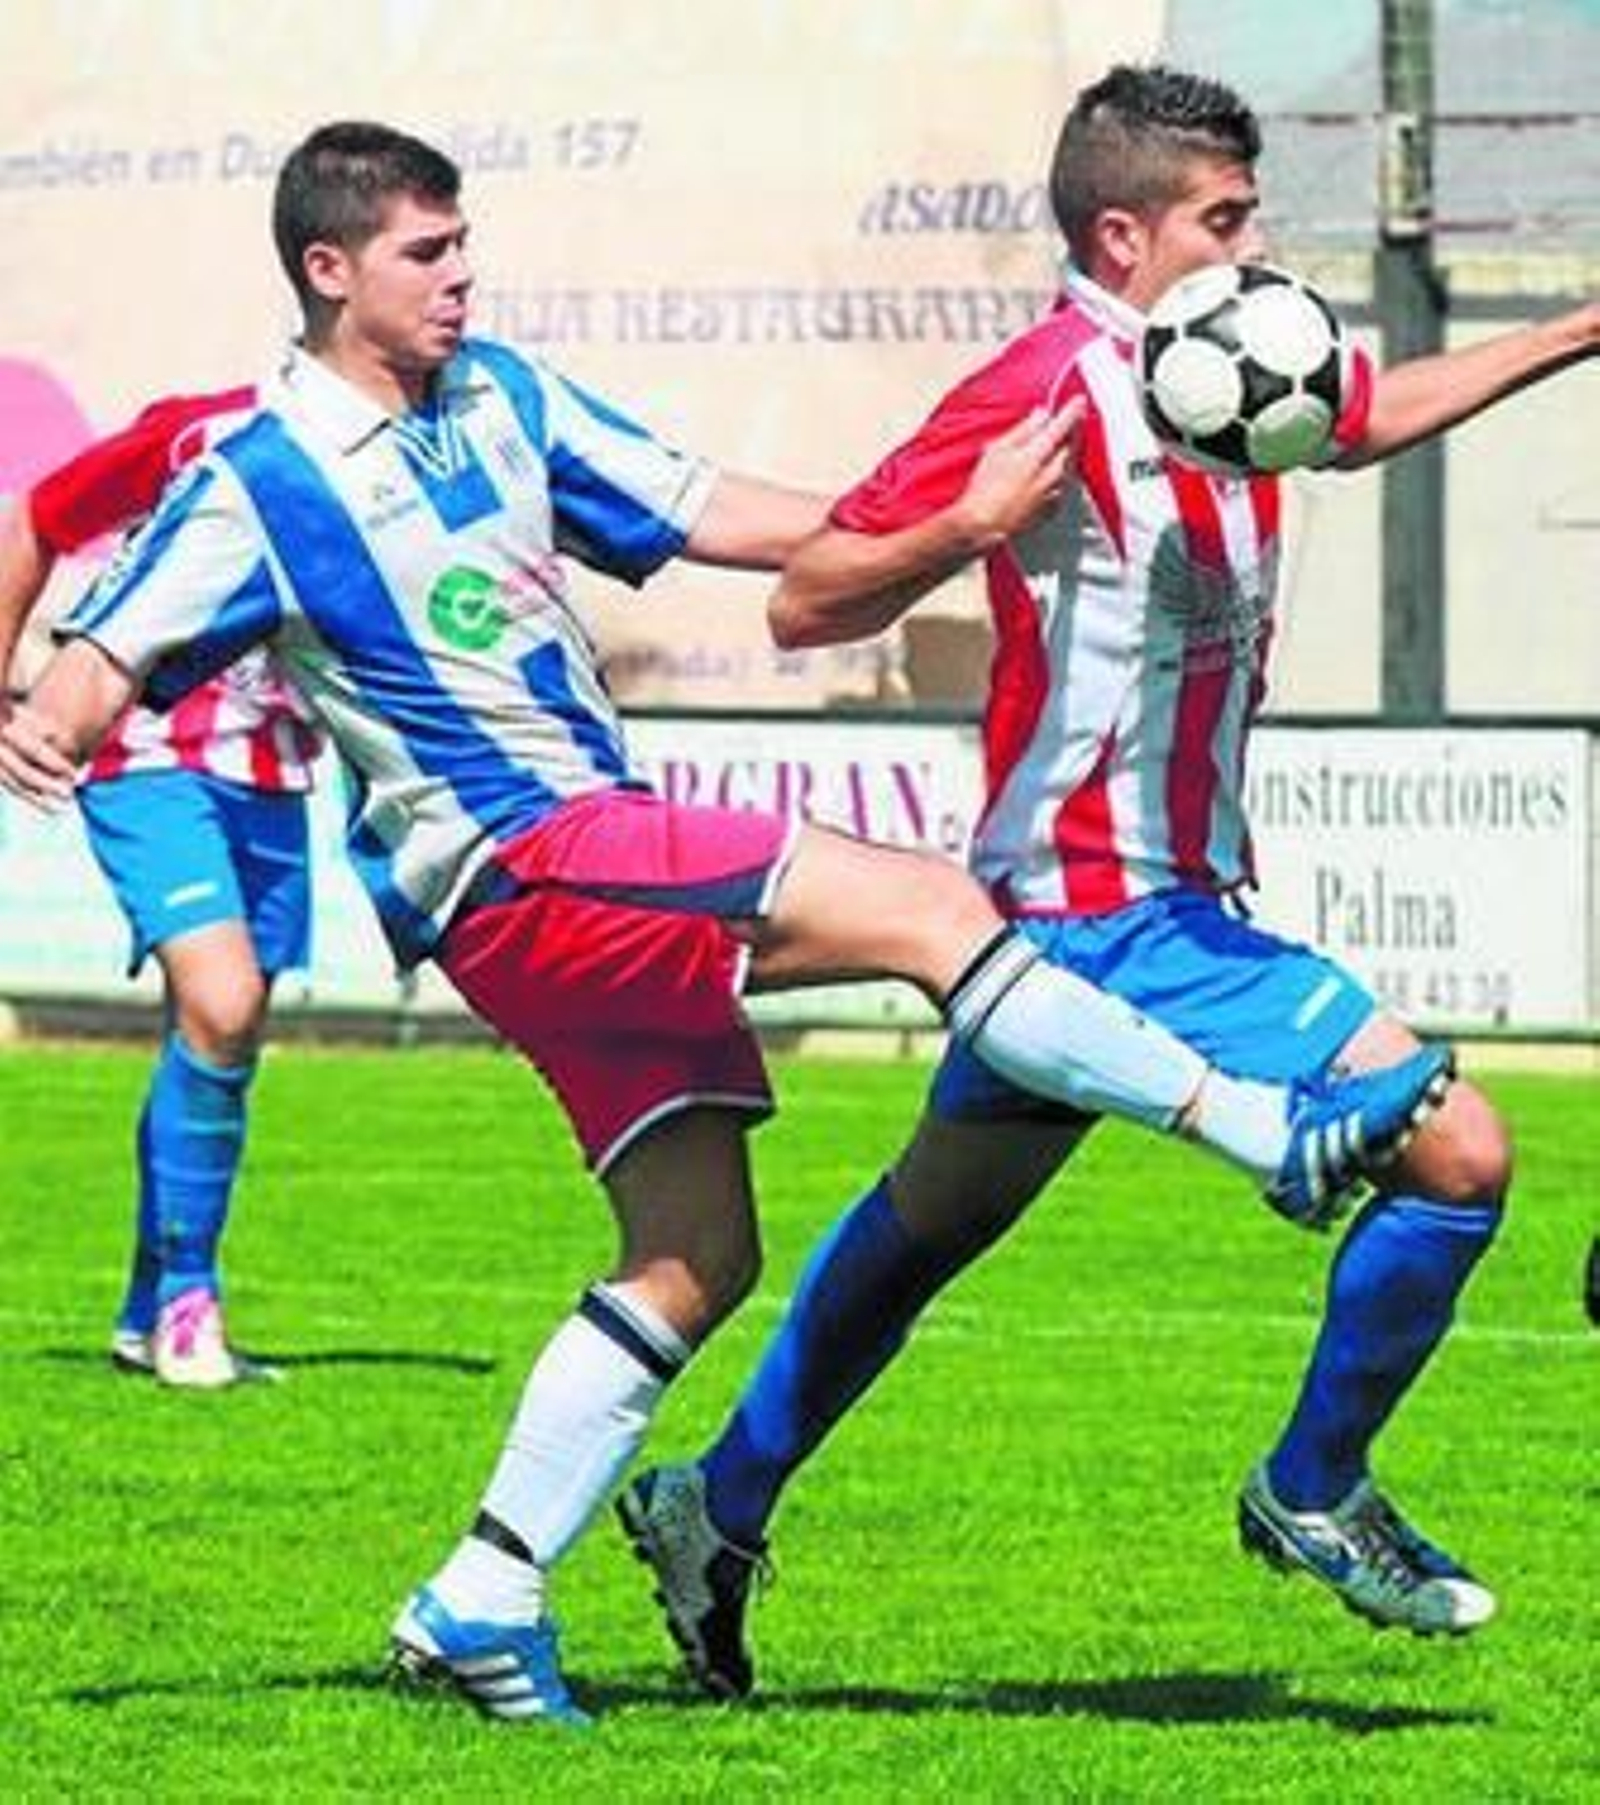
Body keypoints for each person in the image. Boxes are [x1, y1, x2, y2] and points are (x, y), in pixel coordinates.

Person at [0, 119, 1447, 1729]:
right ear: (331, 271)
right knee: (931, 904)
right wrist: (48, 718)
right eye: (428, 250)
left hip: (576, 856)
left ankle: (480, 1596)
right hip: (521, 858)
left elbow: (724, 515)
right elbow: (101, 659)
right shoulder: (260, 473)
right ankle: (1268, 1134)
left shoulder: (502, 399)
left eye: (464, 239)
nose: (463, 272)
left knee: (695, 1254)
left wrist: (943, 517)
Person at [616, 61, 1600, 1697]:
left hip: (1119, 914)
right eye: (1225, 218)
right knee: (1459, 1152)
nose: (1252, 244)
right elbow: (806, 600)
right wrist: (971, 523)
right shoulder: (1043, 388)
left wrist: (1577, 329)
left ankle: (712, 1505)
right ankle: (1312, 1487)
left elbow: (1362, 416)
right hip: (1107, 915)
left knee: (925, 1231)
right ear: (1125, 235)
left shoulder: (1242, 355)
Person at [0, 389, 321, 1387]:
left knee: (219, 1029)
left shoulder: (419, 451)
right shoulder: (214, 429)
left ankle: (149, 1313)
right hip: (147, 756)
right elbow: (36, 518)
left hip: (276, 776)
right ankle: (190, 1298)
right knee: (222, 1001)